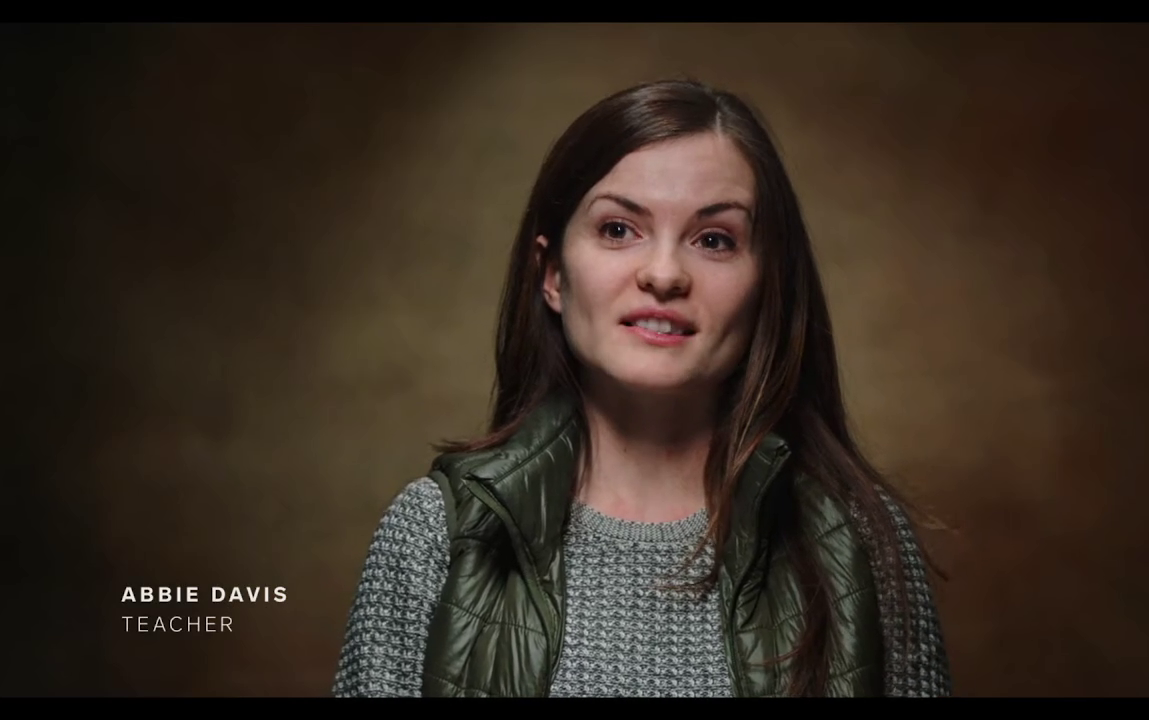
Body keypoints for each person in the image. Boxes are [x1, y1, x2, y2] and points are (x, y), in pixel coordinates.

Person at [331, 78, 952, 698]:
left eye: (714, 240)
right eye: (618, 229)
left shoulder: (858, 542)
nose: (663, 274)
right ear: (552, 274)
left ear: (768, 286)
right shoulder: (434, 535)